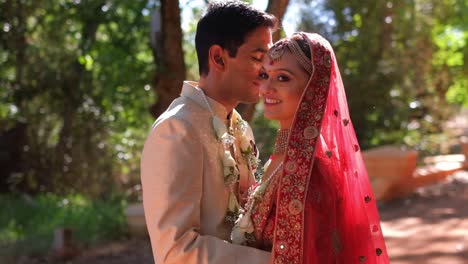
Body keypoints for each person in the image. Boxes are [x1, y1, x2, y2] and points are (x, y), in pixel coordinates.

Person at [231, 33, 389, 263]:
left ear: (313, 88)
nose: (266, 88)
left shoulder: (309, 173)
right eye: (265, 75)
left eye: (283, 78)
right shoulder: (282, 160)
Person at [140, 1, 278, 263]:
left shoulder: (241, 129)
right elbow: (175, 251)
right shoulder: (177, 129)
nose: (266, 71)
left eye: (269, 61)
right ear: (218, 57)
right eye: (258, 58)